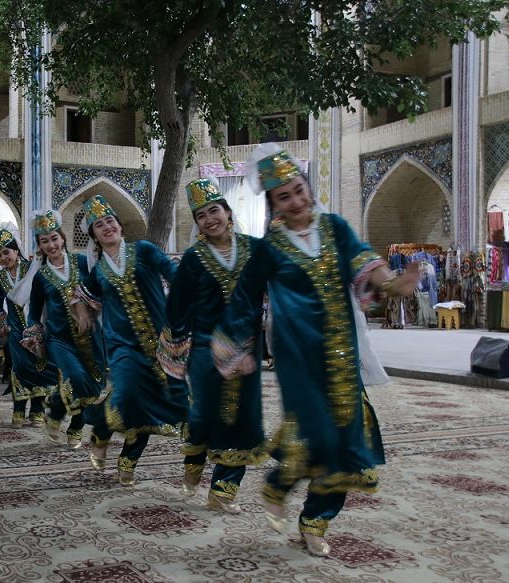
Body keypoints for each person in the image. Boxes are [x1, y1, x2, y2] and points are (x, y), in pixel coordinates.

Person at [211, 143, 419, 557]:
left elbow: (364, 261)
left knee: (348, 440)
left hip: (341, 348)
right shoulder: (269, 248)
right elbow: (243, 298)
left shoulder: (335, 227)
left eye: (298, 189)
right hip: (296, 353)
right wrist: (236, 347)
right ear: (273, 205)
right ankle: (279, 483)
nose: (295, 200)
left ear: (308, 187)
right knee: (318, 432)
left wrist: (392, 283)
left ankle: (315, 521)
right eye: (283, 196)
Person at [160, 179, 266, 511]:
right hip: (205, 348)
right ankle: (194, 456)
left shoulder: (255, 249)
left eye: (214, 210)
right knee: (205, 415)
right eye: (201, 215)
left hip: (246, 349)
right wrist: (176, 351)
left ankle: (223, 491)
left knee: (242, 418)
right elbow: (177, 307)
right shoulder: (194, 258)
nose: (210, 219)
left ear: (228, 212)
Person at [74, 195, 189, 486]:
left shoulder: (145, 250)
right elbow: (78, 296)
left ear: (120, 226)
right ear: (95, 236)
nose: (106, 227)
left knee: (147, 406)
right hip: (123, 347)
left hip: (162, 343)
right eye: (99, 225)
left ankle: (128, 461)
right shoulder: (98, 271)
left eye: (110, 221)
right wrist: (83, 313)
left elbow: (175, 274)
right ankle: (100, 430)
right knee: (127, 395)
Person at [23, 210, 105, 449]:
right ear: (39, 246)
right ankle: (57, 414)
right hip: (59, 339)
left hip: (90, 336)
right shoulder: (41, 277)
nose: (51, 245)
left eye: (54, 238)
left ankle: (75, 426)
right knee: (76, 377)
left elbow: (100, 290)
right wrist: (32, 333)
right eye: (44, 241)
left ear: (62, 238)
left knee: (92, 383)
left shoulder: (83, 263)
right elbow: (34, 312)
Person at [0, 224, 59, 428]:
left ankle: (37, 411)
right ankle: (19, 409)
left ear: (16, 250)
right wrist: (1, 325)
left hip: (38, 328)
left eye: (6, 252)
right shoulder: (0, 278)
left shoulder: (32, 269)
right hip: (15, 331)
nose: (3, 257)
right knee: (20, 369)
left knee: (40, 367)